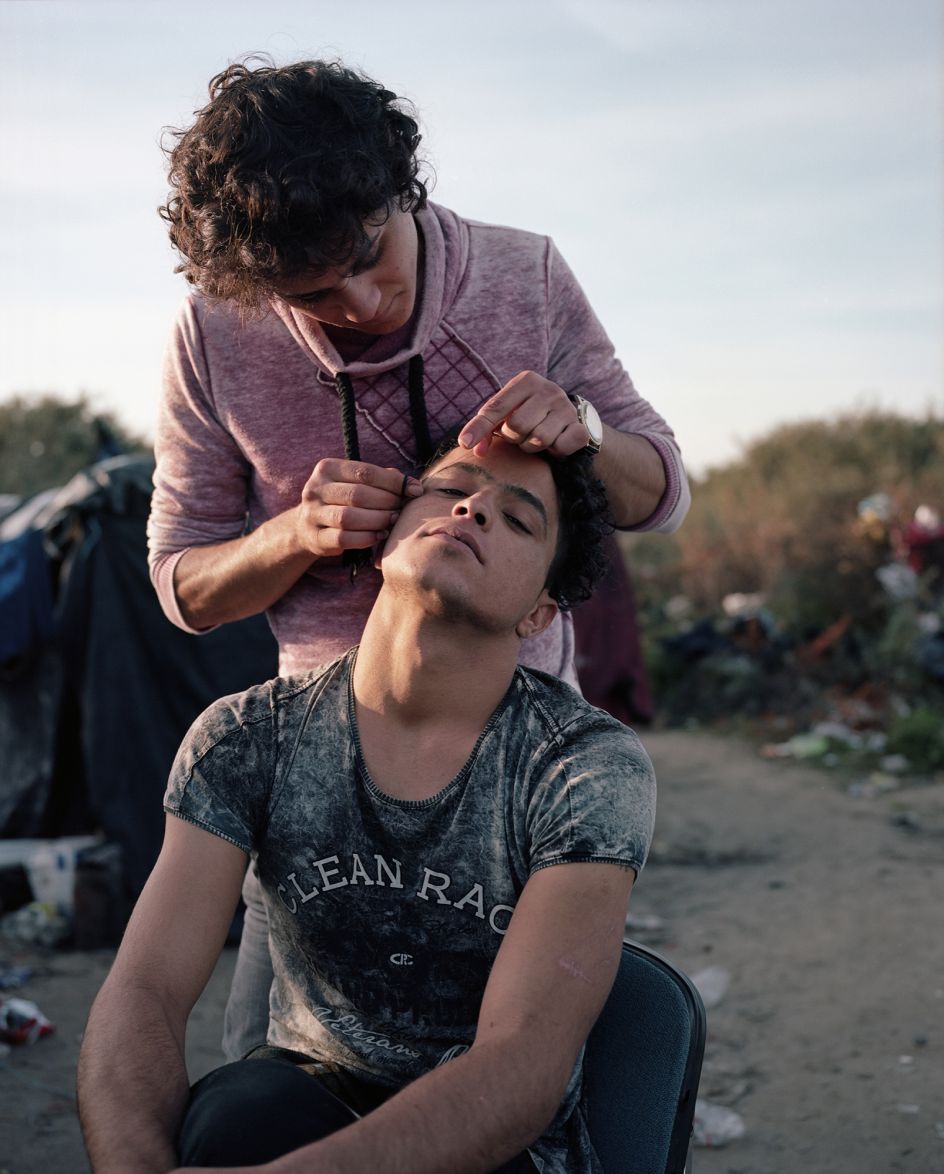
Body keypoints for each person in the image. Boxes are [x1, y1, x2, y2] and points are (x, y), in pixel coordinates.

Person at [145, 57, 688, 1061]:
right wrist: (288, 537)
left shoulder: (521, 275)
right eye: (313, 295)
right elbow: (180, 585)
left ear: (404, 188)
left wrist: (578, 425)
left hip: (511, 754)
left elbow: (659, 490)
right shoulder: (213, 334)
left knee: (506, 1066)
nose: (360, 302)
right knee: (272, 1066)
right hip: (314, 766)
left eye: (371, 256)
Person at [79, 438, 656, 1173]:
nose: (472, 508)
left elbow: (523, 1063)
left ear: (540, 613)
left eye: (518, 521)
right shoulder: (247, 738)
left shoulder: (582, 765)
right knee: (233, 1119)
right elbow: (145, 989)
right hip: (307, 1093)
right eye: (451, 488)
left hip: (493, 1141)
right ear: (383, 535)